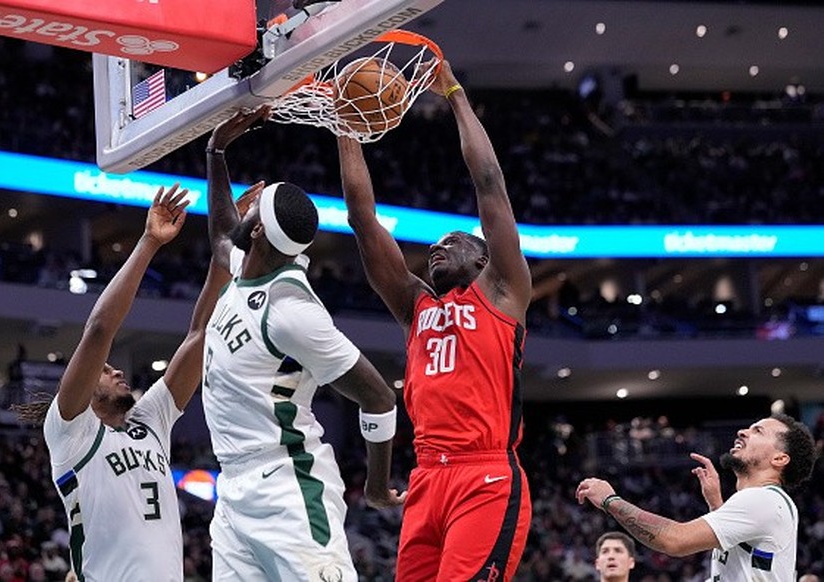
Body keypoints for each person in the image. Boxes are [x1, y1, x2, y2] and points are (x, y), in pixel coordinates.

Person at [336, 60, 533, 581]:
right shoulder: (415, 306)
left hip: (485, 475)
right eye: (433, 245)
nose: (436, 248)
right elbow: (361, 219)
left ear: (483, 259)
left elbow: (489, 182)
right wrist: (346, 128)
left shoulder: (504, 291)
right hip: (426, 478)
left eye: (452, 243)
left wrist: (453, 93)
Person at [203, 107, 404, 581]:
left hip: (288, 485)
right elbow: (219, 234)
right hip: (233, 487)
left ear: (256, 231)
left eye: (251, 208)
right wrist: (215, 152)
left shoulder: (293, 309)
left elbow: (378, 395)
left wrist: (375, 488)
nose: (244, 205)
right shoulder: (246, 270)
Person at [12, 185, 229, 582]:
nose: (116, 372)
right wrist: (148, 242)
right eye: (105, 370)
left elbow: (201, 333)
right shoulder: (70, 431)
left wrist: (228, 250)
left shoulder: (150, 425)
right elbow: (99, 330)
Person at [576, 414, 818, 581]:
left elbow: (674, 541)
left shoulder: (762, 500)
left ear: (779, 459)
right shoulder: (766, 503)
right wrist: (716, 506)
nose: (743, 431)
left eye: (758, 431)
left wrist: (610, 500)